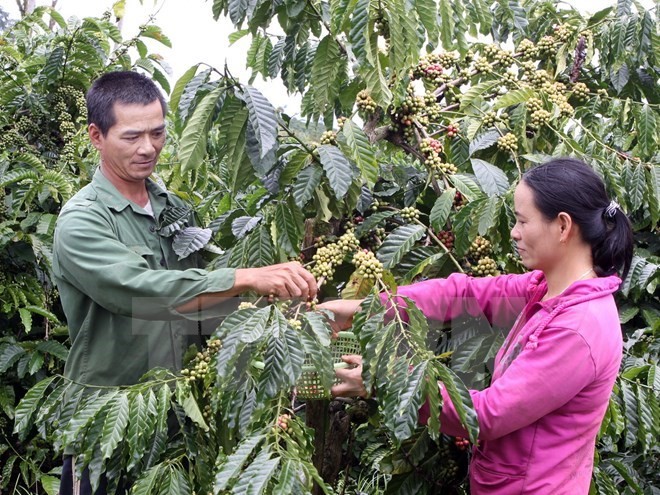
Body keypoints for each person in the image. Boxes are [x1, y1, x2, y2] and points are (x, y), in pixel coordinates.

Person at [52, 70, 317, 494]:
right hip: (107, 422)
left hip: (180, 416)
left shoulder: (173, 210)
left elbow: (200, 307)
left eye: (157, 133)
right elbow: (143, 296)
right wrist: (245, 277)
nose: (148, 148)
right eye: (132, 136)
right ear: (97, 136)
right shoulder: (82, 221)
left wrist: (290, 314)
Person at [321, 158, 633, 494]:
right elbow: (463, 294)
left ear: (562, 226)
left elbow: (488, 415)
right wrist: (368, 308)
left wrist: (388, 379)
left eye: (522, 221)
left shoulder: (578, 328)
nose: (513, 232)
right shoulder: (546, 288)